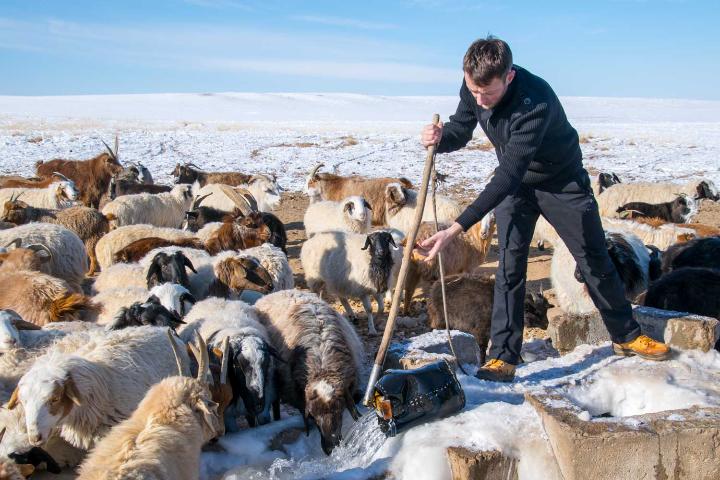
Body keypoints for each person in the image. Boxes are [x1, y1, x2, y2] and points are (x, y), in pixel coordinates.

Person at [416, 36, 670, 383]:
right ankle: (503, 356)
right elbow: (461, 128)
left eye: (486, 94)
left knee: (593, 258)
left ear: (508, 77)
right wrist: (440, 138)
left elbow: (506, 176)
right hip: (516, 184)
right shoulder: (474, 86)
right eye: (473, 92)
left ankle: (626, 335)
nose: (480, 101)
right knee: (510, 264)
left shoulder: (534, 102)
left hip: (561, 182)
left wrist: (456, 228)